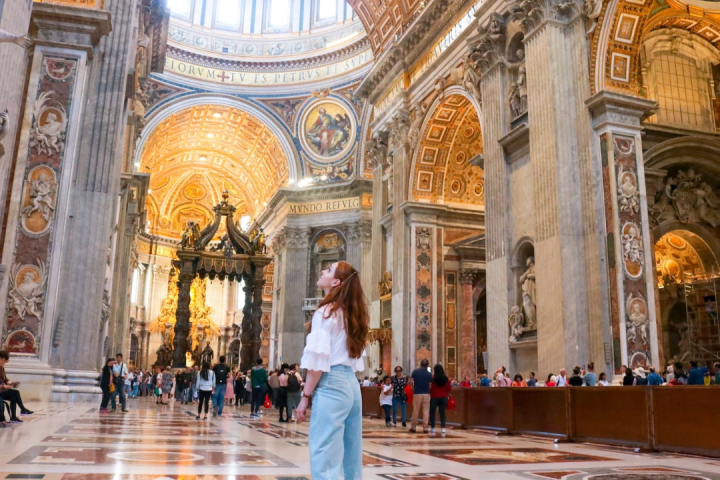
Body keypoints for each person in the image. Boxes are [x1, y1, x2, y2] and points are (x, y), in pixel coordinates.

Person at [295, 261, 368, 480]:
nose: (322, 271)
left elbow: (318, 362)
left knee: (324, 453)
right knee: (351, 456)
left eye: (327, 270)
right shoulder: (352, 314)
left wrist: (305, 396)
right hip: (351, 386)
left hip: (332, 384)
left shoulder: (325, 312)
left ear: (336, 282)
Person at [0, 350, 33, 420]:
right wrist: (4, 386)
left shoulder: (1, 367)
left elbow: (4, 379)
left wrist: (10, 382)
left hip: (2, 389)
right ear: (2, 359)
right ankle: (23, 409)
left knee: (13, 397)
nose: (6, 363)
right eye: (6, 361)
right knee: (15, 393)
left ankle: (14, 417)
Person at [409, 358, 432, 433]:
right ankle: (425, 428)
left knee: (415, 410)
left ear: (420, 364)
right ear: (427, 365)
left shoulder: (415, 372)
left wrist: (413, 388)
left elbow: (410, 382)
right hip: (426, 393)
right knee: (426, 411)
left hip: (417, 393)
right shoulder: (429, 374)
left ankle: (413, 427)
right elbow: (430, 386)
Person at [429, 364, 452, 435]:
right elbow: (449, 389)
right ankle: (443, 428)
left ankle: (433, 427)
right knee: (442, 413)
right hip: (443, 397)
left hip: (434, 397)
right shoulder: (446, 379)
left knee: (432, 413)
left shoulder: (432, 378)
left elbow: (430, 388)